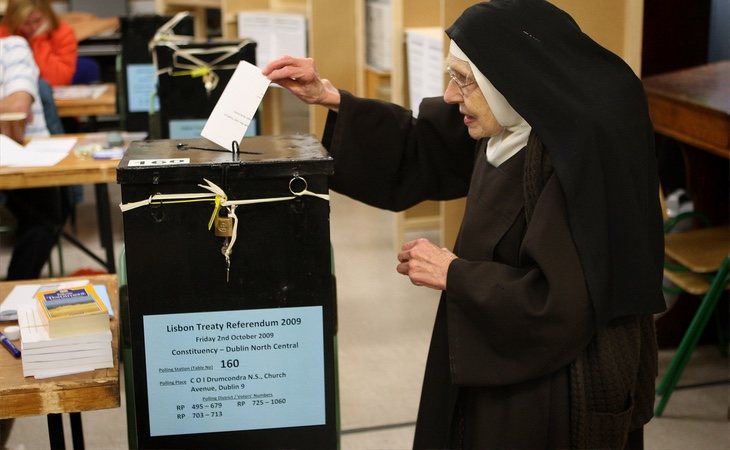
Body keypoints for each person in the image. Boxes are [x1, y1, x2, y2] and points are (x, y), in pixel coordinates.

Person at [264, 0, 665, 448]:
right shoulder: (516, 121)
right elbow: (424, 145)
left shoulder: (581, 161)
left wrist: (454, 273)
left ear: (510, 81)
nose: (452, 96)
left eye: (464, 80)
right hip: (497, 344)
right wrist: (329, 96)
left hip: (550, 388)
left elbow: (565, 303)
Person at [0, 36, 71, 281]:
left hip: (27, 156)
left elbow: (17, 106)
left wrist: (13, 108)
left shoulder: (13, 46)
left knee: (46, 218)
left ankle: (14, 288)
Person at [0, 0, 77, 86]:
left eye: (37, 20)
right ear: (14, 21)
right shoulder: (4, 35)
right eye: (26, 23)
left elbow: (58, 80)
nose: (33, 27)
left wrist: (38, 41)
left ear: (48, 15)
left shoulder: (63, 33)